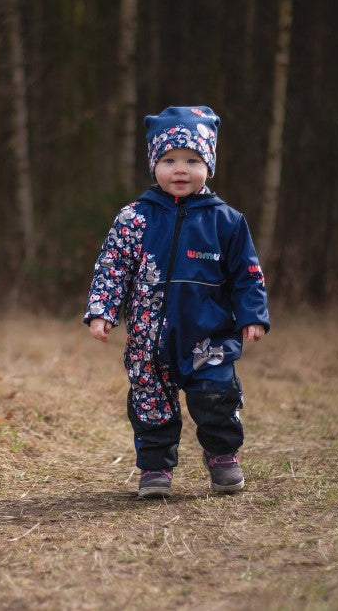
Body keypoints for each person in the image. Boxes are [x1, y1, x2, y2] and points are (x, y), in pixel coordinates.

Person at [84, 106, 270, 498]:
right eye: (168, 160)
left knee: (215, 397)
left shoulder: (227, 221)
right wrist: (102, 310)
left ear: (210, 165)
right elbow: (112, 267)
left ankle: (222, 456)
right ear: (154, 164)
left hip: (209, 336)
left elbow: (247, 275)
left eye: (192, 160)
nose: (179, 169)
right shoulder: (134, 218)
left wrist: (253, 315)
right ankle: (155, 468)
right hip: (149, 338)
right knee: (151, 402)